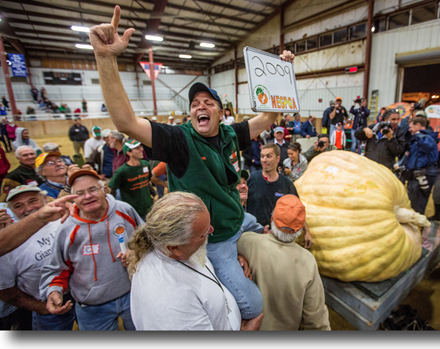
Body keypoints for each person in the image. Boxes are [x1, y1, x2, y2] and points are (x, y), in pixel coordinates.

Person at [90, 7, 297, 321]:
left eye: (208, 103)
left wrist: (282, 74)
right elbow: (125, 121)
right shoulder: (178, 141)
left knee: (262, 226)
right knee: (253, 306)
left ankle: (255, 234)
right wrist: (106, 58)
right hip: (214, 238)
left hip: (237, 217)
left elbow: (268, 117)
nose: (200, 106)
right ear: (190, 115)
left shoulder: (231, 133)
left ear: (219, 111)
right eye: (195, 104)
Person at [128, 192, 263, 330]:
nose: (212, 230)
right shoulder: (169, 305)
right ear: (174, 247)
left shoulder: (178, 247)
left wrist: (234, 258)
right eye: (204, 233)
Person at [40, 169, 143, 331]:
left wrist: (136, 253)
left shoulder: (124, 210)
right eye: (80, 193)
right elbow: (58, 268)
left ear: (104, 190)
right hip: (92, 306)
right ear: (72, 198)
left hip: (134, 295)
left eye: (93, 189)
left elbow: (145, 240)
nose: (87, 196)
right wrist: (54, 290)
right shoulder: (67, 228)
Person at [237, 195, 330, 331]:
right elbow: (316, 321)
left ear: (272, 218)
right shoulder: (308, 261)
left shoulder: (248, 242)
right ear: (299, 230)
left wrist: (239, 256)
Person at [0, 186, 76, 331]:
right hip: (50, 306)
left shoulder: (63, 219)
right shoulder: (8, 242)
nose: (28, 208)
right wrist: (41, 308)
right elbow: (5, 291)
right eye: (18, 206)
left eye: (32, 201)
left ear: (45, 200)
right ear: (12, 212)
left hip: (84, 294)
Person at [246, 143, 312, 248]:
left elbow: (298, 209)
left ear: (277, 159)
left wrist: (307, 232)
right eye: (262, 156)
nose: (264, 160)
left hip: (278, 240)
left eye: (268, 156)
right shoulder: (250, 180)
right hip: (254, 237)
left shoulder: (286, 184)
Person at [108, 140, 154, 220]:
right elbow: (112, 189)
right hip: (133, 212)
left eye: (141, 147)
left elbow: (146, 182)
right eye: (137, 148)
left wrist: (155, 194)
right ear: (129, 153)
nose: (142, 149)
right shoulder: (121, 171)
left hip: (150, 208)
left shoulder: (146, 165)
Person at [403, 116, 439, 214]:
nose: (409, 129)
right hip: (414, 174)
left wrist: (418, 134)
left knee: (418, 203)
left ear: (418, 125)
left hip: (423, 174)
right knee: (412, 200)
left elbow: (428, 145)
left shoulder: (427, 137)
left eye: (411, 127)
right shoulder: (417, 138)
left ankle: (417, 225)